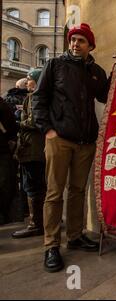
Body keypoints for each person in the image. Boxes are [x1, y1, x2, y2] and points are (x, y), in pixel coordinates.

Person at [32, 23, 110, 273]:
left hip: (86, 141)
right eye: (73, 39)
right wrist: (48, 131)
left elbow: (105, 96)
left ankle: (75, 236)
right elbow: (39, 99)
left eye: (81, 41)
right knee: (54, 193)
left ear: (91, 45)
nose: (75, 44)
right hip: (60, 139)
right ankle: (51, 245)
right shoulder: (55, 65)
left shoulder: (96, 71)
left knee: (77, 190)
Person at [11, 69, 46, 238]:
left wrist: (18, 121)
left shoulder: (34, 97)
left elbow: (35, 121)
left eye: (29, 79)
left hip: (33, 148)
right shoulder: (34, 96)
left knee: (32, 186)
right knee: (36, 185)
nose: (27, 82)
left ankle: (35, 224)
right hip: (34, 148)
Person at [0, 97, 18, 225]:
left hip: (3, 150)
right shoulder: (4, 105)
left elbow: (11, 129)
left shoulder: (3, 105)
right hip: (4, 150)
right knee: (4, 183)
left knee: (4, 183)